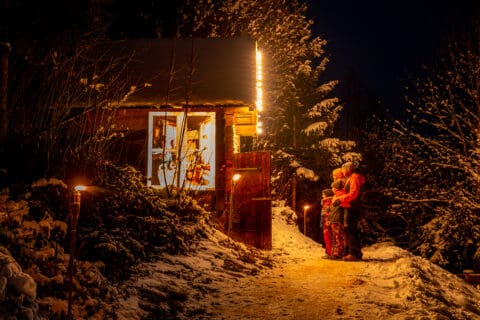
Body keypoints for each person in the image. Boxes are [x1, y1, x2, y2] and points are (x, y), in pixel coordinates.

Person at [333, 162, 365, 261]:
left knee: (351, 229)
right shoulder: (352, 177)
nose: (342, 172)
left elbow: (353, 193)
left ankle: (354, 253)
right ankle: (356, 252)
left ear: (348, 169)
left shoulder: (354, 177)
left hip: (352, 206)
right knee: (351, 229)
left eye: (343, 169)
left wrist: (340, 199)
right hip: (352, 206)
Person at [320, 188, 334, 258]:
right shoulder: (325, 201)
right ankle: (328, 252)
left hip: (327, 222)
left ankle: (329, 253)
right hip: (325, 222)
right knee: (327, 237)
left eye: (323, 194)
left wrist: (327, 221)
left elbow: (328, 213)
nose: (322, 195)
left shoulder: (329, 202)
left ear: (327, 194)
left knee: (328, 237)